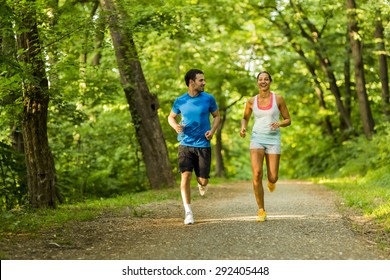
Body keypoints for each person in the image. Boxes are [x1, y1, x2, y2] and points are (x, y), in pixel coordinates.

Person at [168, 69, 221, 225]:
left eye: (204, 80)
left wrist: (212, 131)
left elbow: (217, 116)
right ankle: (188, 212)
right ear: (191, 82)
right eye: (201, 80)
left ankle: (201, 183)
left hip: (203, 144)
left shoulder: (208, 99)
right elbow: (171, 117)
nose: (204, 83)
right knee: (185, 176)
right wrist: (175, 126)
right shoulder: (180, 101)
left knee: (203, 180)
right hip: (185, 143)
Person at [240, 71, 291, 222]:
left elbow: (288, 119)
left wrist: (280, 123)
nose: (263, 82)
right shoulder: (251, 101)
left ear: (270, 81)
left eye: (266, 79)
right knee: (257, 174)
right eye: (260, 79)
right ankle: (261, 210)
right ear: (257, 83)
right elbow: (245, 117)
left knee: (273, 177)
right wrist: (243, 127)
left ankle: (271, 182)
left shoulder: (278, 99)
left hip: (273, 139)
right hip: (257, 139)